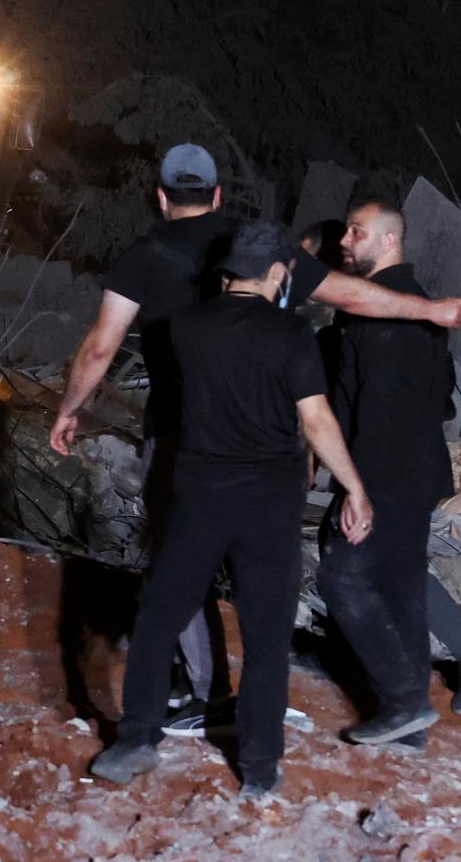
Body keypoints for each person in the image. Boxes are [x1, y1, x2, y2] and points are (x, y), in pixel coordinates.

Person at [49, 144, 461, 730]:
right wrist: (428, 311)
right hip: (269, 445)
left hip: (186, 438)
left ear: (160, 197)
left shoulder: (143, 256)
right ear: (218, 195)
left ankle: (204, 697)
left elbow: (102, 347)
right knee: (268, 579)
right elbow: (349, 295)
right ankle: (263, 722)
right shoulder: (257, 246)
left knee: (181, 564)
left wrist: (70, 409)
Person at [88, 221, 374, 796]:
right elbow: (315, 420)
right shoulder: (292, 334)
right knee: (267, 634)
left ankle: (136, 740)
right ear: (275, 273)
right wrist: (356, 488)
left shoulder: (185, 328)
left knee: (160, 614)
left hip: (197, 494)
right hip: (269, 501)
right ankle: (261, 770)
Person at [299, 212, 461, 721]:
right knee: (397, 569)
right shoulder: (392, 307)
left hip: (391, 471)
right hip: (402, 468)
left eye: (356, 232)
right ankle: (452, 667)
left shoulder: (391, 312)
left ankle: (415, 691)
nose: (346, 242)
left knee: (346, 572)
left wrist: (356, 487)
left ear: (390, 238)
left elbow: (383, 413)